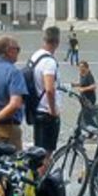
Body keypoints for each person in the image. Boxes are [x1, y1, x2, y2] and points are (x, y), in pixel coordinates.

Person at [28, 27, 62, 161]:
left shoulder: (35, 56)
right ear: (57, 42)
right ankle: (41, 181)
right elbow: (49, 89)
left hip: (36, 108)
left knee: (38, 152)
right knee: (46, 156)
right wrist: (53, 110)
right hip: (47, 113)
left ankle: (36, 179)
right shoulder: (49, 62)